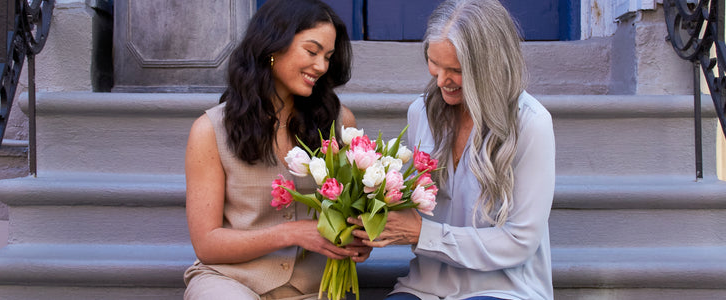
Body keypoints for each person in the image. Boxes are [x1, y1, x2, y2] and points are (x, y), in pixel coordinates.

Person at [351, 0, 555, 299]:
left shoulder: (531, 123)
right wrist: (369, 226)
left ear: (490, 67)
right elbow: (417, 206)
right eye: (434, 64)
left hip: (504, 288)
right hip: (426, 287)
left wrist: (424, 235)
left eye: (455, 70)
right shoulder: (421, 111)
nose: (441, 80)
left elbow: (519, 241)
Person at [183, 0, 371, 299]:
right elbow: (207, 244)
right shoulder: (210, 130)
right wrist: (292, 233)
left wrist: (359, 239)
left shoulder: (338, 123)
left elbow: (351, 214)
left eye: (328, 56)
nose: (321, 66)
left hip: (315, 287)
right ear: (272, 46)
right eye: (312, 51)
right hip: (231, 281)